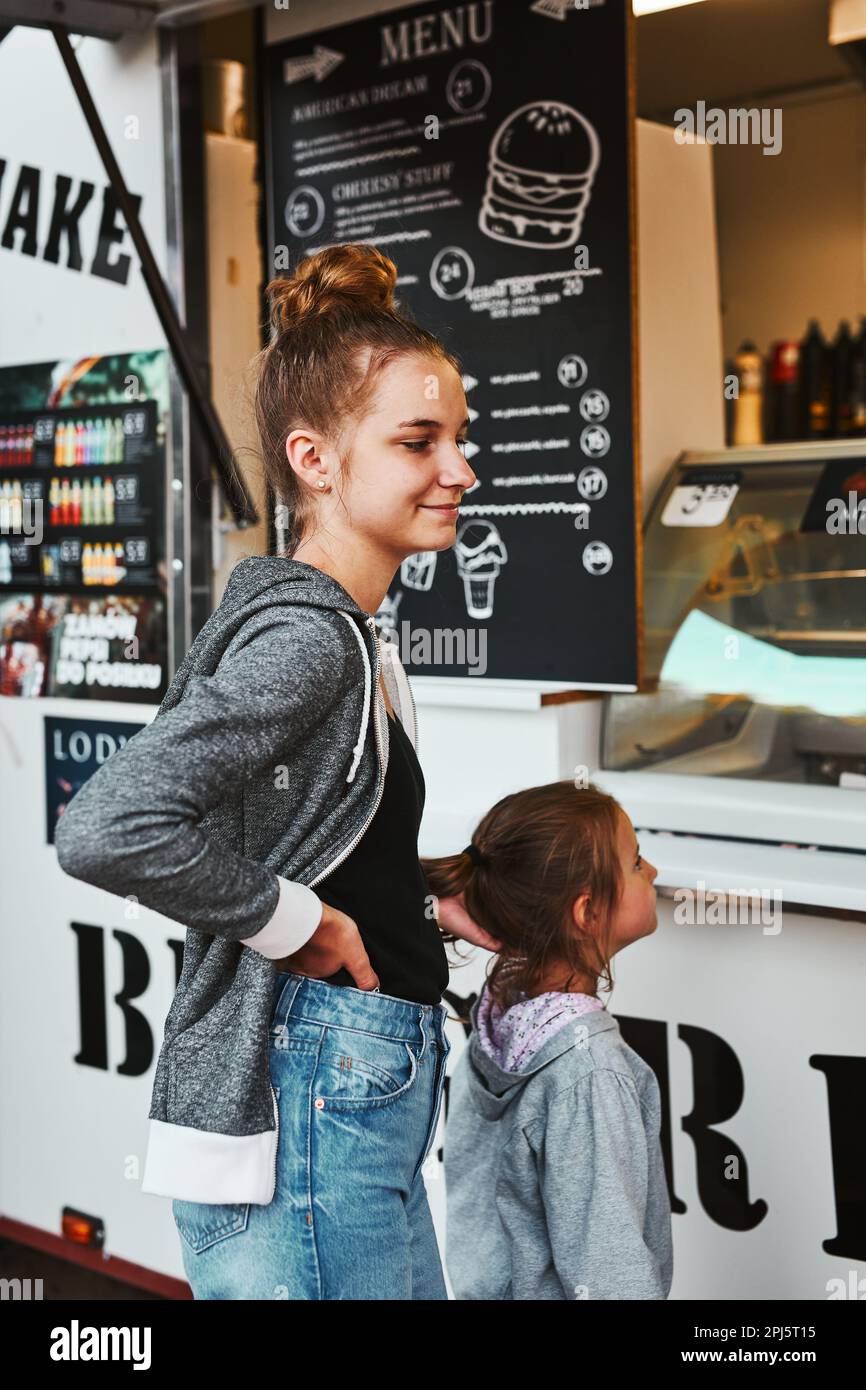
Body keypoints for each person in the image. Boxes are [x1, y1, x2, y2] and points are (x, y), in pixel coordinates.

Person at [54, 242, 497, 1300]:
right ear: (315, 458)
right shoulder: (311, 641)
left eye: (459, 439)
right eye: (418, 441)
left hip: (343, 1088)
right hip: (313, 1090)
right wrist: (310, 926)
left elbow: (303, 841)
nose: (460, 471)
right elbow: (108, 826)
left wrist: (427, 899)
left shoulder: (341, 632)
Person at [422, 780, 673, 1300]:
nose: (653, 872)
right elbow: (609, 1271)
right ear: (587, 913)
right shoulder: (591, 1074)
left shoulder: (496, 1024)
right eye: (636, 861)